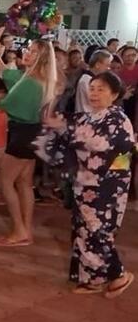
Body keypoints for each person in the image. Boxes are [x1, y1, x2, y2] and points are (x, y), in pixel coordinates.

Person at [39, 71, 135, 298]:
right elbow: (54, 122)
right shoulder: (86, 117)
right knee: (84, 230)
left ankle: (118, 274)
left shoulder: (118, 119)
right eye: (92, 88)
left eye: (101, 89)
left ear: (115, 94)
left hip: (108, 185)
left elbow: (107, 146)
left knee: (98, 230)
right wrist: (55, 97)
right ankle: (94, 278)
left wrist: (73, 135)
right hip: (85, 183)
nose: (94, 93)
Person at [0, 27, 56, 247]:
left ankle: (18, 230)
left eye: (33, 51)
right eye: (28, 49)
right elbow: (4, 70)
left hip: (22, 135)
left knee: (5, 182)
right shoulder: (35, 79)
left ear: (41, 58)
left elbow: (1, 106)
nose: (27, 52)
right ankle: (26, 229)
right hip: (31, 133)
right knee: (24, 183)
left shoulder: (30, 83)